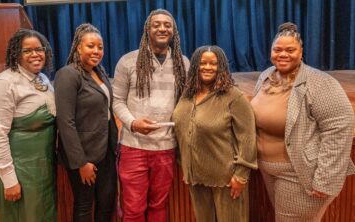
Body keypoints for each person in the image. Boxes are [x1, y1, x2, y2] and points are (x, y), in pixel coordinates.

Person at [251, 22, 355, 221]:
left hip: (300, 175)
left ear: (301, 51)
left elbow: (338, 128)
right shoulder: (266, 76)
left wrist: (325, 179)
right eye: (278, 49)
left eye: (290, 50)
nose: (283, 54)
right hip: (269, 171)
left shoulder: (321, 83)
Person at [112, 9, 189, 222]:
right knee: (134, 209)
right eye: (156, 24)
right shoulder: (128, 61)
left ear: (173, 31)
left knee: (158, 207)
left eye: (167, 25)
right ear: (148, 29)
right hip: (133, 146)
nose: (162, 28)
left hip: (166, 147)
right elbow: (116, 101)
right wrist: (133, 123)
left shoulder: (183, 63)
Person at [172, 45, 257, 222]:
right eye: (202, 63)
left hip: (226, 178)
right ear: (195, 66)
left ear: (222, 67)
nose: (208, 67)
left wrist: (241, 176)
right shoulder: (187, 95)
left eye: (214, 63)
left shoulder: (234, 96)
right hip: (195, 176)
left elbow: (247, 137)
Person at [0, 29, 56, 222]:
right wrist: (9, 180)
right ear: (16, 53)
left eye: (39, 49)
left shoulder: (43, 79)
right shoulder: (3, 84)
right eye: (27, 50)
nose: (35, 54)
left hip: (43, 168)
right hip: (21, 171)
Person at [55, 23, 118, 222]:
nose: (96, 51)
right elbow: (66, 122)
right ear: (78, 47)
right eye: (91, 46)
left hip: (106, 152)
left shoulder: (99, 72)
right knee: (84, 205)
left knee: (106, 203)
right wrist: (81, 163)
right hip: (83, 155)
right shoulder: (68, 74)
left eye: (100, 47)